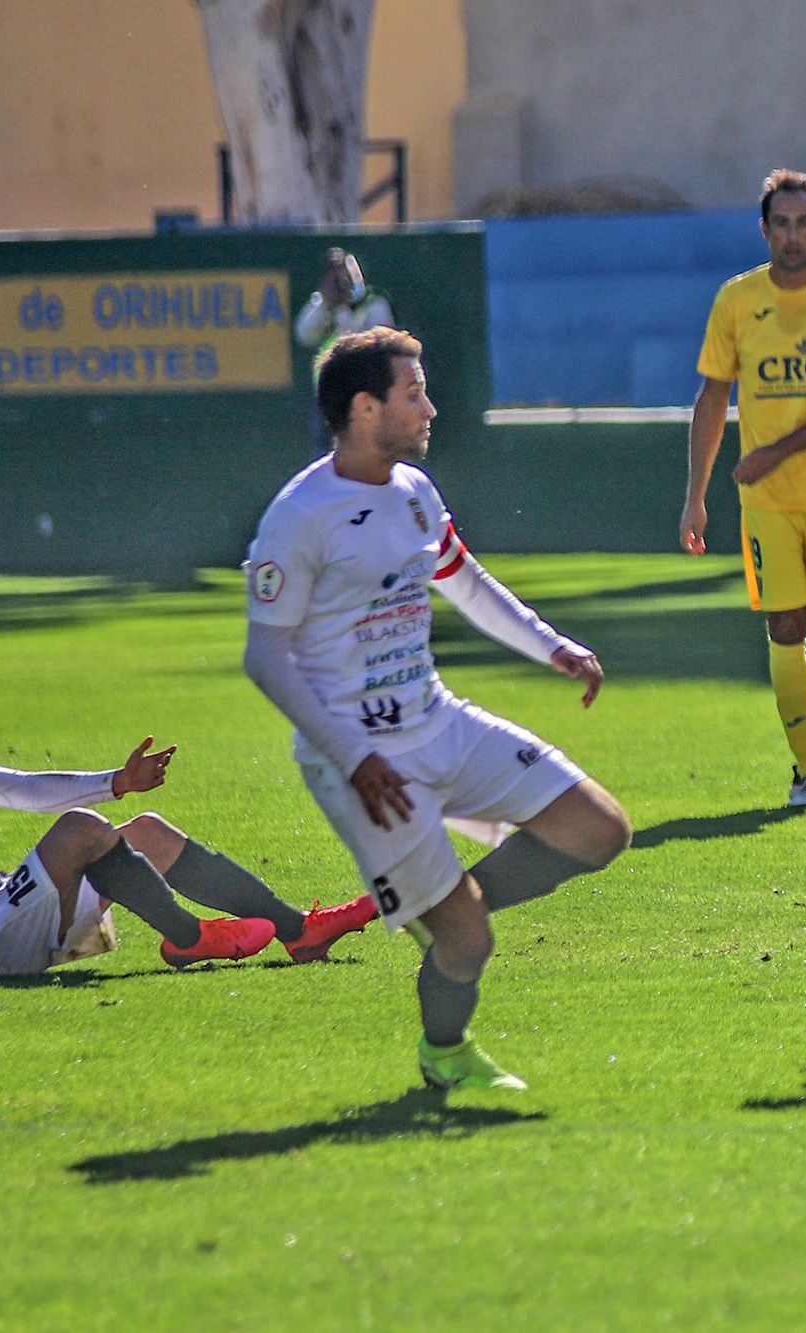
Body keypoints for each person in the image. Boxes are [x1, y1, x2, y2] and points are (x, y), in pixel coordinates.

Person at [243, 326, 632, 1093]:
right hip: (361, 762)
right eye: (412, 392)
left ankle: (452, 905)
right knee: (468, 945)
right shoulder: (300, 517)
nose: (430, 407)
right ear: (365, 408)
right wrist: (353, 758)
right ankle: (445, 1050)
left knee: (600, 829)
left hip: (439, 720)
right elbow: (266, 656)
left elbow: (466, 579)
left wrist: (550, 644)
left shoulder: (415, 492)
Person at [0, 627, 376, 979]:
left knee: (147, 832)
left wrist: (117, 781)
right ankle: (188, 939)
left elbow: (18, 788)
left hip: (2, 911)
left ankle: (298, 930)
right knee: (82, 830)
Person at [680, 169, 806, 808]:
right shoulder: (736, 302)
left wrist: (772, 451)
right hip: (765, 499)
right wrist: (696, 495)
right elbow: (712, 398)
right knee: (784, 622)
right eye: (781, 224)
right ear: (765, 230)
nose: (793, 236)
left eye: (804, 223)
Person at [296, 248, 397, 453]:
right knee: (325, 455)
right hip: (330, 394)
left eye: (348, 271)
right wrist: (327, 303)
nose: (344, 279)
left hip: (367, 393)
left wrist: (346, 308)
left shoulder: (373, 302)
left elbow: (379, 339)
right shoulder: (324, 304)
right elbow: (304, 335)